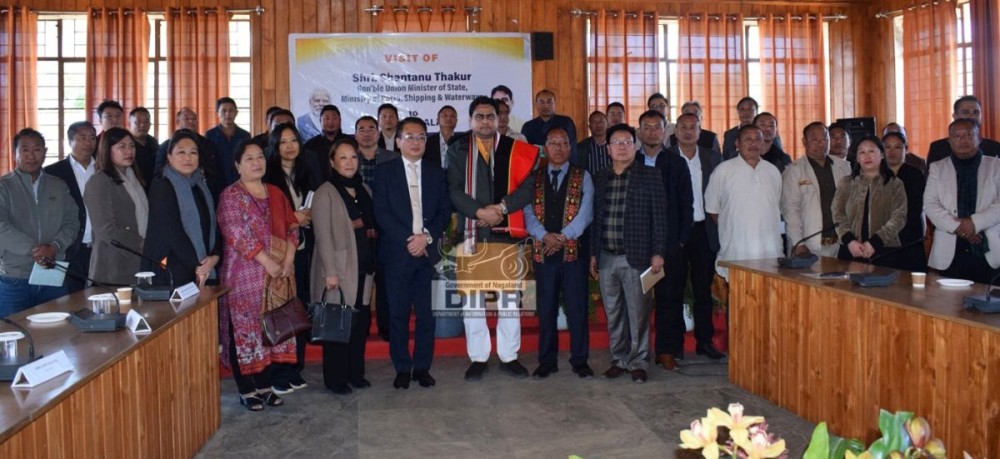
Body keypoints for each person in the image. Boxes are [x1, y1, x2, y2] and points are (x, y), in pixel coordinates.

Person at [446, 96, 540, 381]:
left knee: (509, 299)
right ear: (471, 120)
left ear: (499, 119)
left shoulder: (517, 150)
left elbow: (528, 187)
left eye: (490, 116)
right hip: (472, 233)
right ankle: (478, 357)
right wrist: (478, 212)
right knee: (473, 302)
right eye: (480, 116)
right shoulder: (458, 149)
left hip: (506, 232)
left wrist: (500, 209)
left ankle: (509, 355)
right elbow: (453, 189)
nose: (485, 121)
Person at [217, 140, 299, 412]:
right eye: (249, 158)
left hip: (278, 276)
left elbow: (292, 228)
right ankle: (246, 389)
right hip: (244, 278)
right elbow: (237, 234)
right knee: (246, 333)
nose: (256, 162)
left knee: (268, 332)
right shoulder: (231, 195)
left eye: (260, 157)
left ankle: (265, 386)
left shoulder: (276, 192)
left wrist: (287, 260)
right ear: (238, 165)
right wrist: (268, 262)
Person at [374, 117, 451, 389]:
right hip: (397, 254)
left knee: (427, 315)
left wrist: (425, 239)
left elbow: (445, 212)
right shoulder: (385, 171)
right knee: (397, 315)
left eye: (420, 137)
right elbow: (381, 212)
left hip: (427, 255)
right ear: (398, 142)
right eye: (409, 137)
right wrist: (410, 241)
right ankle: (402, 368)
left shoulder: (436, 172)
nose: (415, 142)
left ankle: (422, 367)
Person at [589, 123, 668, 384]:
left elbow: (659, 217)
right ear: (608, 149)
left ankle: (639, 361)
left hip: (638, 256)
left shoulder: (650, 175)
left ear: (635, 146)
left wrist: (658, 253)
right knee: (613, 312)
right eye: (616, 142)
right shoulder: (600, 177)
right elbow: (595, 218)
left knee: (638, 313)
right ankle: (619, 359)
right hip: (607, 255)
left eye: (626, 142)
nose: (622, 146)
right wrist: (593, 254)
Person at [523, 127, 594, 379]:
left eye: (564, 143)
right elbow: (528, 213)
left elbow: (586, 212)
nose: (559, 148)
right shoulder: (534, 177)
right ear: (545, 147)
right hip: (544, 254)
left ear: (570, 146)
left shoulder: (582, 175)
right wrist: (544, 236)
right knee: (546, 309)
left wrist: (563, 236)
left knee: (577, 309)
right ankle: (547, 360)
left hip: (573, 254)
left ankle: (580, 360)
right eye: (553, 143)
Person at [658, 113, 724, 370]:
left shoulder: (712, 158)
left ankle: (704, 341)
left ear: (700, 131)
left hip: (703, 231)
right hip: (675, 234)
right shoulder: (665, 159)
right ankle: (672, 347)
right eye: (682, 127)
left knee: (702, 291)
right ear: (675, 133)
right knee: (671, 291)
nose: (687, 132)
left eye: (692, 128)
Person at [311, 138, 376, 394]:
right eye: (343, 158)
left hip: (363, 267)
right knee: (338, 325)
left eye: (353, 157)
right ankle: (336, 379)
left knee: (359, 324)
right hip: (337, 270)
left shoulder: (364, 190)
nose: (349, 162)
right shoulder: (325, 191)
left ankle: (355, 374)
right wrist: (330, 272)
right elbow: (323, 235)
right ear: (332, 162)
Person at [262, 122, 324, 394]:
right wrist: (294, 219)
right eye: (283, 142)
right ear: (274, 147)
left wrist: (308, 217)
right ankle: (277, 371)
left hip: (304, 250)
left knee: (298, 307)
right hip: (278, 254)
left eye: (293, 141)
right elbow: (268, 218)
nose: (289, 146)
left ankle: (294, 366)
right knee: (279, 311)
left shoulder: (306, 174)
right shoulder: (268, 178)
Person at [635, 110, 695, 371]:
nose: (651, 132)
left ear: (664, 131)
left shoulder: (676, 163)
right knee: (635, 303)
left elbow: (687, 206)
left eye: (656, 127)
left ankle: (667, 351)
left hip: (670, 246)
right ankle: (635, 352)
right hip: (636, 246)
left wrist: (680, 242)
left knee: (669, 300)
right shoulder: (629, 162)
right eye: (646, 127)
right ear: (639, 132)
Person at [0, 129, 79, 317]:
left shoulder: (58, 185)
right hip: (15, 276)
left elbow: (72, 222)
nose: (31, 155)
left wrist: (54, 247)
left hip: (52, 272)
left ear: (45, 152)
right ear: (15, 154)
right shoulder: (4, 186)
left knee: (56, 335)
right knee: (16, 337)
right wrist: (34, 250)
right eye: (25, 150)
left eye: (37, 149)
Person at [924, 119, 1000, 283]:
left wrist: (975, 223)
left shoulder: (996, 166)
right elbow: (930, 205)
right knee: (949, 305)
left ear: (979, 138)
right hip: (950, 249)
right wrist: (959, 227)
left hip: (990, 250)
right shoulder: (938, 168)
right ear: (949, 141)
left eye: (968, 135)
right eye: (957, 136)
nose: (963, 140)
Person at [142, 129, 220, 287]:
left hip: (203, 267)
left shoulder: (201, 186)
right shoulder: (162, 186)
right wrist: (198, 266)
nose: (188, 158)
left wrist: (215, 257)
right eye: (181, 152)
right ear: (169, 157)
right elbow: (171, 231)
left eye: (193, 152)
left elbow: (213, 225)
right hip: (173, 269)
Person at [705, 125, 783, 281]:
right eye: (748, 139)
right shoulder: (723, 170)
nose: (753, 143)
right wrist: (733, 227)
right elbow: (712, 210)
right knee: (739, 300)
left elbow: (776, 208)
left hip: (769, 249)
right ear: (737, 144)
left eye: (757, 139)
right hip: (737, 249)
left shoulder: (773, 171)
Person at [84, 127, 148, 286]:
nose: (128, 151)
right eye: (122, 147)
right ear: (107, 150)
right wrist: (140, 243)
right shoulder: (99, 181)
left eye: (131, 146)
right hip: (112, 265)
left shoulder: (134, 178)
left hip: (139, 260)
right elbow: (105, 229)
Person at [355, 115, 399, 341]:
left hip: (387, 229)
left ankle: (386, 327)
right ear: (355, 135)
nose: (367, 133)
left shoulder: (393, 158)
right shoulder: (349, 158)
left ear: (379, 133)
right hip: (357, 230)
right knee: (359, 280)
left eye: (371, 128)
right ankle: (358, 328)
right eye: (361, 129)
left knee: (385, 282)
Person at [780, 122, 852, 258]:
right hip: (808, 244)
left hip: (840, 244)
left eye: (824, 139)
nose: (821, 143)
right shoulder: (794, 171)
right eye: (814, 139)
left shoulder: (844, 168)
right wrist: (797, 242)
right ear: (804, 141)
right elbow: (790, 209)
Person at [832, 136, 906, 264]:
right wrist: (849, 241)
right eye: (862, 152)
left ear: (882, 155)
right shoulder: (846, 183)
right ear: (857, 158)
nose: (867, 156)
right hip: (850, 249)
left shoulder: (895, 184)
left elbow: (899, 217)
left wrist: (875, 242)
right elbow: (837, 214)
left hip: (885, 251)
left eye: (871, 151)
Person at [43, 121, 97, 293]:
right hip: (70, 247)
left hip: (100, 247)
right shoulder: (53, 172)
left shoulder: (104, 169)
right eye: (83, 138)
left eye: (92, 138)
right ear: (70, 141)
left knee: (99, 295)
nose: (89, 143)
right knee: (70, 298)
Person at [881, 131, 927, 272]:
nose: (892, 152)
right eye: (887, 147)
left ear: (906, 150)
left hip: (909, 240)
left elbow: (914, 209)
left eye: (897, 147)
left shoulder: (915, 174)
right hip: (881, 240)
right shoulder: (874, 174)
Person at [927, 96, 1000, 164]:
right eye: (966, 112)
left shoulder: (994, 147)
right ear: (955, 116)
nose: (972, 115)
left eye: (976, 112)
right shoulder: (938, 148)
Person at [205, 96, 252, 187]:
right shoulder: (209, 136)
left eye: (231, 110)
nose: (227, 114)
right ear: (217, 113)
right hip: (216, 184)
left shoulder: (245, 136)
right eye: (223, 111)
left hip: (240, 183)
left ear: (236, 113)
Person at [521, 89, 579, 159]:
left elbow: (572, 149)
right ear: (536, 104)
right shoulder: (528, 126)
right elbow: (524, 153)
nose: (546, 106)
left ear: (555, 103)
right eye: (541, 102)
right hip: (536, 167)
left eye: (549, 102)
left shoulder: (566, 122)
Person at [303, 104, 351, 178]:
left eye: (334, 118)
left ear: (340, 120)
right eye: (326, 118)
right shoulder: (310, 146)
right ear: (320, 121)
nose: (330, 122)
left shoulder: (350, 142)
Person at [129, 107, 158, 189]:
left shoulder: (153, 143)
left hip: (153, 189)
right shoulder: (125, 145)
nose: (142, 125)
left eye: (146, 122)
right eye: (138, 122)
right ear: (129, 124)